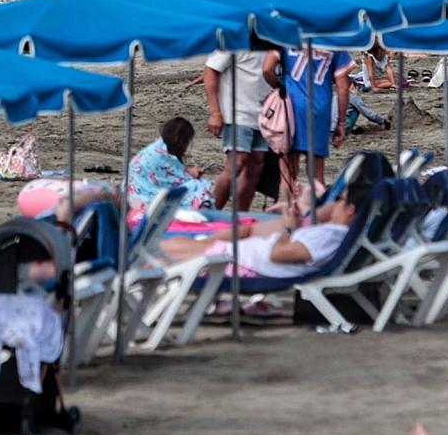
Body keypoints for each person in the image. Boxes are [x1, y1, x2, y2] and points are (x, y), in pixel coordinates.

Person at [156, 187, 364, 279]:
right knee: (174, 245)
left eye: (339, 200)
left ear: (350, 209)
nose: (334, 204)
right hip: (244, 256)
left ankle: (129, 285)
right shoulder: (333, 234)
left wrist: (290, 227)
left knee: (168, 250)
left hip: (243, 265)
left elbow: (277, 255)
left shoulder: (331, 236)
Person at [276, 44, 351, 206]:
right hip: (319, 106)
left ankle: (289, 215)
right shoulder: (333, 38)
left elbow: (268, 67)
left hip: (291, 104)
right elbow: (343, 84)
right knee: (317, 175)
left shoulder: (286, 34)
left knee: (288, 172)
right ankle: (317, 217)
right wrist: (341, 122)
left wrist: (277, 88)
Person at [204, 46, 270, 211]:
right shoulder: (234, 42)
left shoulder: (274, 41)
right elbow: (211, 70)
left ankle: (241, 216)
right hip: (237, 112)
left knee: (256, 166)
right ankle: (212, 212)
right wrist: (215, 113)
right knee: (236, 163)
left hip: (264, 115)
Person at [127, 116, 216, 211]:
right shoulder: (161, 155)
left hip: (133, 195)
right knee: (198, 188)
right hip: (146, 201)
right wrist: (190, 175)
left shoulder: (156, 149)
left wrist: (187, 172)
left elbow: (168, 174)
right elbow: (177, 180)